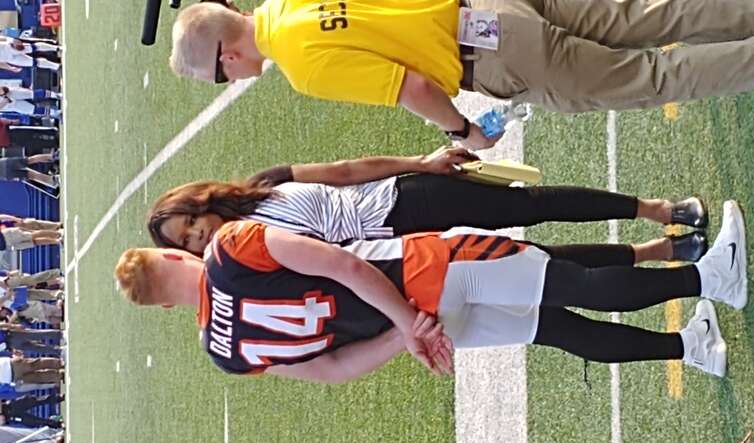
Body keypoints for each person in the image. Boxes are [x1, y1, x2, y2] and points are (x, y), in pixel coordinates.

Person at [118, 200, 746, 381]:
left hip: (420, 330)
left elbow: (332, 367)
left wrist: (407, 336)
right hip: (422, 274)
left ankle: (690, 349)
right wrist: (409, 318)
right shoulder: (227, 247)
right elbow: (344, 266)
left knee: (552, 330)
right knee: (567, 282)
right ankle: (711, 277)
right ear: (176, 254)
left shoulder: (224, 352)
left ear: (165, 306)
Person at [168, 0, 754, 150]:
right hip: (485, 10)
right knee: (653, 14)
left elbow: (414, 88)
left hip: (494, 55)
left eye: (220, 76)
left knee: (655, 77)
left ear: (226, 57)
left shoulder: (302, 65)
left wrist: (463, 133)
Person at [147, 146, 708, 265]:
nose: (196, 235)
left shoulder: (263, 179)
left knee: (531, 205)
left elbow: (348, 171)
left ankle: (659, 209)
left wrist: (423, 160)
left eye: (190, 222)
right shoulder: (244, 262)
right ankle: (660, 250)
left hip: (402, 198)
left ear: (199, 202)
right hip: (406, 252)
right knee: (532, 256)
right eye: (186, 241)